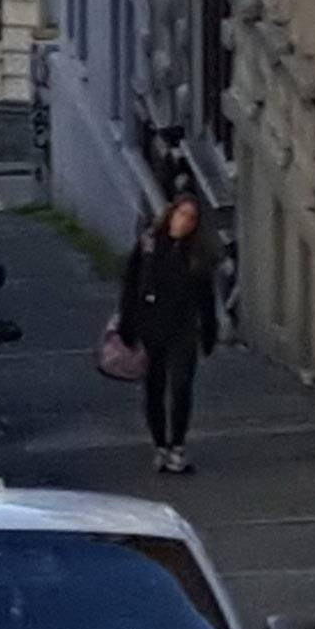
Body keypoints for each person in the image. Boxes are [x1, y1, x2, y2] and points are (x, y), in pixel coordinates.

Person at [117, 193, 219, 475]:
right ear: (171, 214)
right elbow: (130, 285)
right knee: (154, 386)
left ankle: (177, 446)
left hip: (183, 327)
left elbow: (206, 296)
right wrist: (128, 325)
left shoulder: (196, 253)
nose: (185, 222)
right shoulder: (150, 244)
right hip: (151, 325)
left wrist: (209, 331)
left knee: (182, 385)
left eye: (192, 218)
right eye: (182, 214)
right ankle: (160, 444)